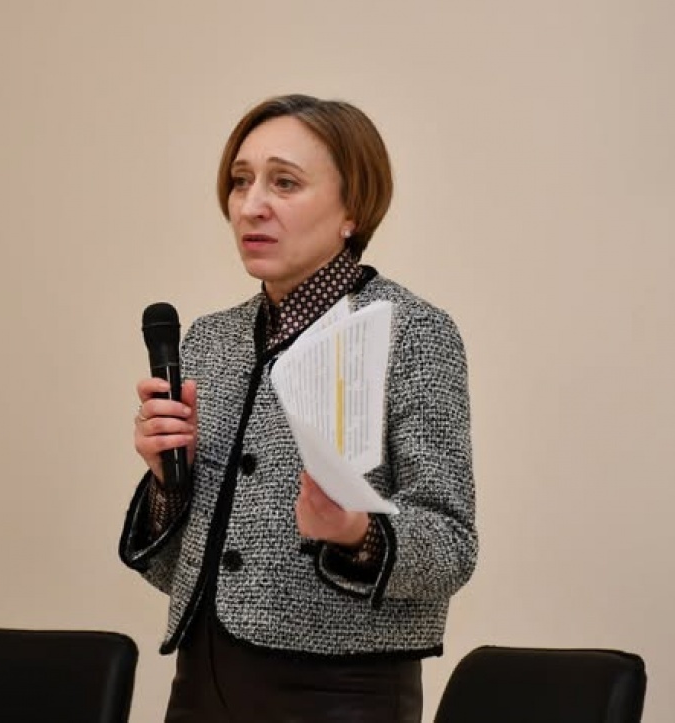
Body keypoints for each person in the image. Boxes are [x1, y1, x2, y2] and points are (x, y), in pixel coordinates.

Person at [119, 94, 477, 722]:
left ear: (353, 210)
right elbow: (185, 570)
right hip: (200, 682)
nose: (250, 205)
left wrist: (357, 532)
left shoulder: (413, 333)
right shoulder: (210, 340)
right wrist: (168, 483)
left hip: (338, 696)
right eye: (241, 181)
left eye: (284, 182)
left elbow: (452, 548)